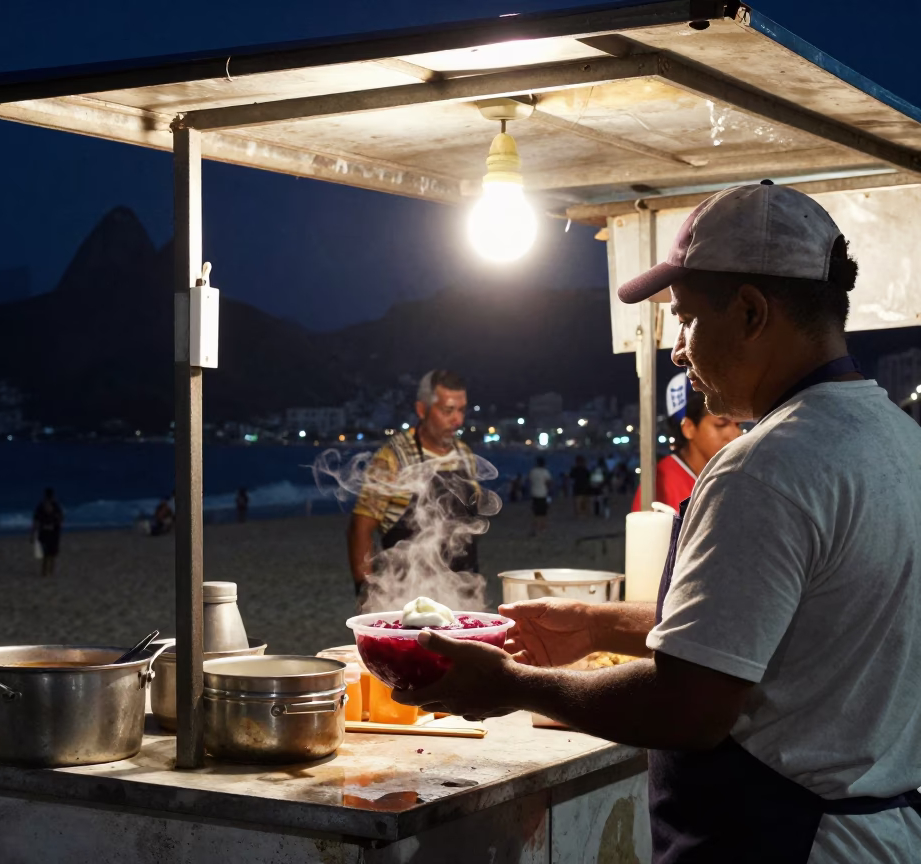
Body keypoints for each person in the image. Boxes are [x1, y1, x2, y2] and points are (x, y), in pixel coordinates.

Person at [391, 182, 921, 862]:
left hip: (786, 844)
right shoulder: (899, 440)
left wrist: (509, 684)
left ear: (751, 312)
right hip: (884, 835)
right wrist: (597, 624)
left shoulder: (765, 466)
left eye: (687, 319)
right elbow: (775, 624)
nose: (677, 350)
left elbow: (690, 707)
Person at [348, 369, 482, 601]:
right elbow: (360, 529)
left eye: (461, 410)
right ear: (422, 410)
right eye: (448, 411)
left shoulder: (464, 454)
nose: (458, 420)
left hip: (463, 594)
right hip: (408, 596)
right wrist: (365, 591)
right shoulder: (393, 458)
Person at [632, 372, 742, 512]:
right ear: (689, 428)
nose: (736, 433)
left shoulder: (733, 474)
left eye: (738, 424)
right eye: (721, 424)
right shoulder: (660, 485)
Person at [30, 488, 63, 577]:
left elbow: (35, 521)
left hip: (45, 532)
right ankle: (50, 571)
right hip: (53, 532)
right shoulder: (55, 505)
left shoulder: (41, 506)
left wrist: (32, 533)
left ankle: (45, 571)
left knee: (46, 552)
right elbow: (60, 519)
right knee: (51, 553)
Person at [528, 457, 552, 537]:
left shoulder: (532, 471)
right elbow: (548, 482)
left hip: (534, 493)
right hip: (543, 493)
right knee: (543, 512)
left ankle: (536, 527)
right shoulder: (545, 472)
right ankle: (542, 527)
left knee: (536, 511)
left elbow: (530, 481)